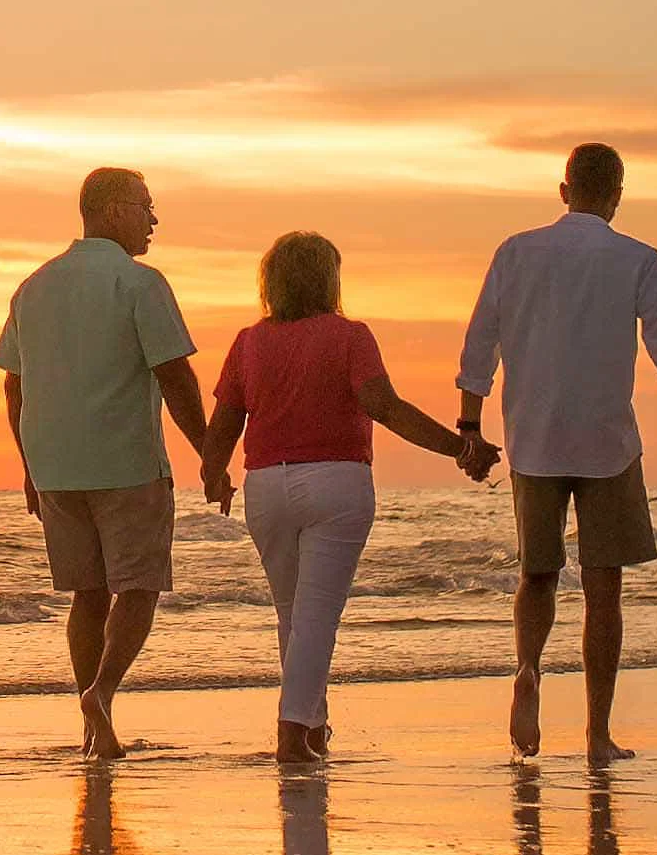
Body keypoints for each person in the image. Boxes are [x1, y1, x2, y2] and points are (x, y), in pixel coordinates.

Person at [192, 230, 493, 766]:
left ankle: (313, 726)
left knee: (293, 613)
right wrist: (459, 447)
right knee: (316, 616)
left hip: (266, 486)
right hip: (336, 484)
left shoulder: (248, 341)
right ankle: (291, 731)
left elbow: (224, 423)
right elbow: (384, 406)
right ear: (329, 279)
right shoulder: (350, 336)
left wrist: (213, 474)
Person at [453, 142, 657, 760]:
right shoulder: (638, 259)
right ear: (617, 197)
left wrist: (469, 424)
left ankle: (528, 669)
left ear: (563, 190)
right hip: (607, 443)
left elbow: (480, 340)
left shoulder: (515, 252)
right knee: (604, 589)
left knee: (536, 574)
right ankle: (597, 734)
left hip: (533, 437)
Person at [0, 164, 211, 761]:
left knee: (87, 595)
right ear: (113, 210)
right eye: (145, 206)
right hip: (127, 464)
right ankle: (103, 694)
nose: (153, 219)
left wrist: (28, 468)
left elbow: (15, 387)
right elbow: (175, 375)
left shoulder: (33, 287)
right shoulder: (140, 284)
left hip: (56, 467)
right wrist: (212, 456)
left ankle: (94, 728)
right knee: (139, 587)